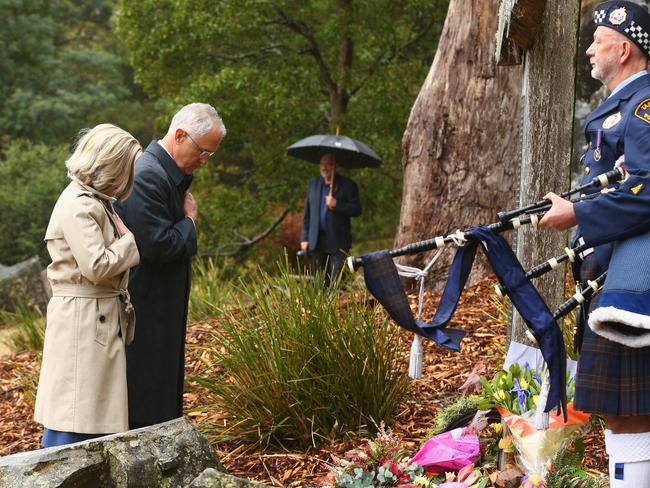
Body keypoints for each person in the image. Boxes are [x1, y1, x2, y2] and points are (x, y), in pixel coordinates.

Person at [539, 2, 650, 485]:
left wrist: (578, 213)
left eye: (597, 39)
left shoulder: (646, 104)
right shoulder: (625, 104)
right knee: (621, 412)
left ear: (623, 49)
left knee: (631, 413)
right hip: (612, 270)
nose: (589, 48)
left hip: (636, 279)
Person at [114, 103, 225, 428]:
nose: (204, 162)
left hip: (162, 305)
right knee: (148, 395)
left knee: (162, 388)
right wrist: (190, 222)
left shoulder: (166, 174)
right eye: (203, 152)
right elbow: (159, 246)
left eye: (210, 155)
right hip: (146, 307)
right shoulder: (147, 174)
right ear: (180, 136)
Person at [34, 124, 142, 447]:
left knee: (88, 412)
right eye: (126, 169)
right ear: (111, 165)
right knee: (75, 414)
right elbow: (96, 266)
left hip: (94, 317)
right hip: (83, 321)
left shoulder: (95, 201)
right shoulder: (78, 204)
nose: (128, 179)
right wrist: (129, 243)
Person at [300, 153, 362, 285]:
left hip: (338, 242)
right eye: (322, 163)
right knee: (319, 283)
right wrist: (304, 238)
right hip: (316, 242)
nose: (324, 167)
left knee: (337, 284)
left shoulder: (348, 185)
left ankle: (338, 305)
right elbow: (307, 214)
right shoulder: (314, 184)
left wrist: (336, 204)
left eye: (328, 164)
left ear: (336, 166)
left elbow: (357, 210)